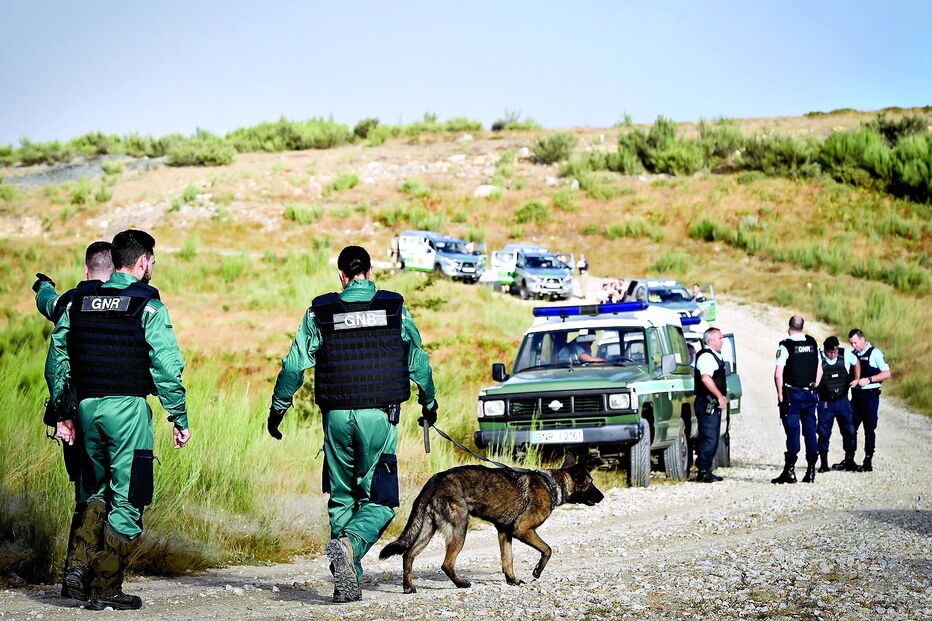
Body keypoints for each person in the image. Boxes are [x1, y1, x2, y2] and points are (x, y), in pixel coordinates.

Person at [267, 245, 438, 603]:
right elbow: (418, 360)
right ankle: (351, 545)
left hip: (336, 418)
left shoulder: (321, 311)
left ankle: (347, 580)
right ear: (369, 272)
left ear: (341, 276)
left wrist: (278, 408)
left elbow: (294, 365)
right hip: (379, 416)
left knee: (342, 498)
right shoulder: (394, 308)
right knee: (381, 499)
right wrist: (429, 402)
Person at [47, 229, 191, 610]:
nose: (152, 269)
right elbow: (166, 367)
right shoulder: (147, 303)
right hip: (126, 410)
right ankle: (105, 587)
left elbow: (57, 361)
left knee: (95, 493)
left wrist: (63, 413)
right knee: (129, 497)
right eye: (152, 262)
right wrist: (178, 416)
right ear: (142, 261)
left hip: (87, 409)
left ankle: (76, 575)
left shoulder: (79, 301)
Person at [32, 241, 114, 600]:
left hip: (76, 413)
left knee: (86, 491)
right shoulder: (130, 303)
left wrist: (44, 285)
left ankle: (74, 573)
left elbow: (47, 302)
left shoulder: (69, 302)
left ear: (85, 270)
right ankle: (93, 574)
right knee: (115, 494)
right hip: (117, 414)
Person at [772, 316, 822, 484]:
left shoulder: (785, 346)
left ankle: (790, 470)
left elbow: (778, 374)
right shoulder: (812, 343)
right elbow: (820, 370)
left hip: (792, 394)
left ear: (789, 327)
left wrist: (780, 394)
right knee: (810, 431)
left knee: (793, 431)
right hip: (810, 393)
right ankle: (811, 470)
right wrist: (814, 386)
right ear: (802, 327)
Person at [847, 329, 891, 472]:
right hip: (856, 397)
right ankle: (849, 458)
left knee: (869, 429)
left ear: (862, 339)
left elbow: (886, 373)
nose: (853, 346)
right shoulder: (853, 355)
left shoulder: (875, 354)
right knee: (850, 428)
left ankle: (868, 460)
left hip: (870, 396)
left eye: (855, 343)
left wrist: (870, 379)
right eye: (851, 343)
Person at [816, 336, 860, 473]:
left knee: (849, 431)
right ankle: (824, 463)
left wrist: (857, 379)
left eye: (834, 352)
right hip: (825, 403)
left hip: (843, 401)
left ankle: (850, 460)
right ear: (825, 350)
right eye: (830, 352)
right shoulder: (819, 357)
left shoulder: (845, 354)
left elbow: (856, 362)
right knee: (823, 433)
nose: (832, 355)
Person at [693, 327, 728, 483]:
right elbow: (706, 378)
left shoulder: (714, 356)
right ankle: (703, 471)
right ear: (711, 341)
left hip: (711, 403)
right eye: (720, 338)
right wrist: (719, 396)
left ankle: (706, 470)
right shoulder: (707, 357)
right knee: (708, 437)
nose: (722, 341)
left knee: (712, 437)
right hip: (707, 402)